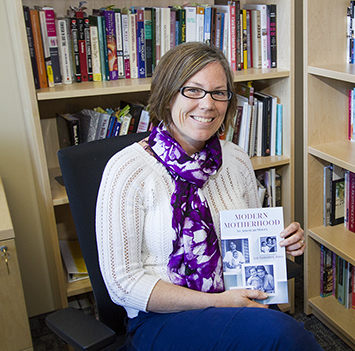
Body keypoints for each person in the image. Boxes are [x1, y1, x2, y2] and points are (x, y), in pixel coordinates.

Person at [96, 42, 321, 351]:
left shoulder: (235, 159)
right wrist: (219, 302)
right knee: (283, 336)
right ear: (167, 94)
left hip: (235, 299)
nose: (207, 104)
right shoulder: (127, 170)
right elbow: (122, 285)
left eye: (219, 92)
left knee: (279, 334)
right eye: (193, 90)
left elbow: (252, 245)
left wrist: (280, 242)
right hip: (160, 319)